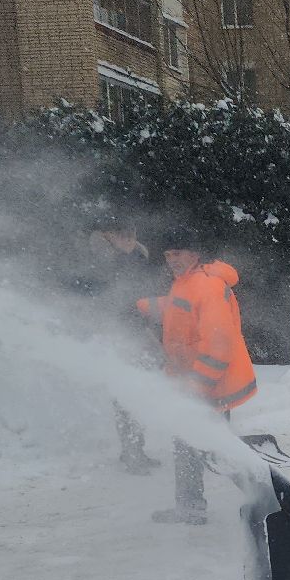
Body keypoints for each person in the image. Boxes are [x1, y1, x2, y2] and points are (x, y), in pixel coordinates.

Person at [135, 226, 258, 524]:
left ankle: (271, 496)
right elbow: (180, 311)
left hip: (210, 384)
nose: (171, 259)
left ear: (194, 253)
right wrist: (143, 307)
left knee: (216, 450)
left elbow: (218, 344)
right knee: (190, 445)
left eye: (178, 253)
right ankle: (190, 506)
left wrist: (197, 385)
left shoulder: (205, 286)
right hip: (196, 382)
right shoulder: (186, 282)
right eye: (168, 254)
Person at [89, 217, 162, 474]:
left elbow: (142, 297)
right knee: (127, 395)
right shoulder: (104, 262)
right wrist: (143, 330)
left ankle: (135, 450)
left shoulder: (138, 258)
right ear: (110, 236)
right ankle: (131, 454)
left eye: (132, 234)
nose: (129, 239)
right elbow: (114, 302)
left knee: (138, 394)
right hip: (120, 336)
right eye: (122, 235)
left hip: (140, 332)